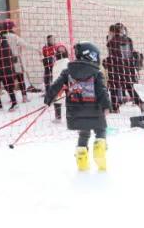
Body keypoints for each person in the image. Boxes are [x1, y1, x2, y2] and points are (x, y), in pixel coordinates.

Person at [43, 42, 112, 171]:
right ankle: (99, 146)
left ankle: (81, 156)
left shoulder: (67, 71)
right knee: (101, 129)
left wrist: (48, 99)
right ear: (90, 56)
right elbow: (102, 91)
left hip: (75, 112)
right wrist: (106, 106)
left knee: (84, 133)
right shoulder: (96, 73)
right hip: (95, 111)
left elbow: (55, 86)